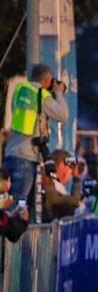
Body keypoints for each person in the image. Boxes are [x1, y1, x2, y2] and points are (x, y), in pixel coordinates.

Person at [3, 64, 69, 211]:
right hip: (26, 158)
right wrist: (58, 93)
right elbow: (63, 115)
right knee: (17, 204)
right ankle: (9, 225)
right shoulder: (41, 95)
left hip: (11, 154)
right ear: (46, 81)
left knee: (5, 200)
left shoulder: (20, 90)